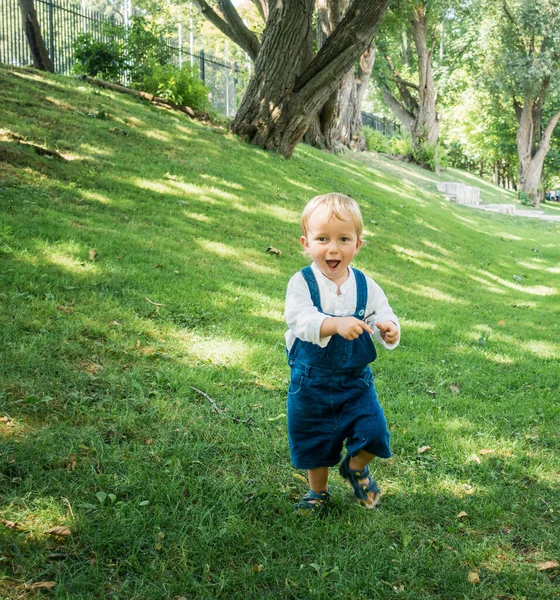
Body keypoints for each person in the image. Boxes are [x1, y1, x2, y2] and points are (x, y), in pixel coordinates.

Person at [284, 193, 400, 514]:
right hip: (311, 382)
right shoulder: (302, 283)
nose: (333, 248)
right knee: (314, 439)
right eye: (322, 239)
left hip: (355, 382)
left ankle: (356, 467)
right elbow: (300, 320)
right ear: (306, 243)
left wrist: (387, 328)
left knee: (374, 430)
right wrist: (334, 324)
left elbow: (380, 314)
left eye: (343, 239)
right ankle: (317, 492)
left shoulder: (365, 284)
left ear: (357, 245)